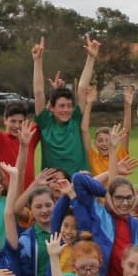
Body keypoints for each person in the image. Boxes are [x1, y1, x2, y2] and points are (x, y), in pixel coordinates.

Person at [30, 34, 97, 175]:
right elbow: (38, 92)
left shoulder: (75, 119)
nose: (66, 110)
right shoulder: (46, 122)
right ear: (52, 108)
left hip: (78, 183)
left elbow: (83, 88)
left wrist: (91, 58)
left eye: (69, 106)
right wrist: (37, 61)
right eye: (61, 106)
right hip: (53, 186)